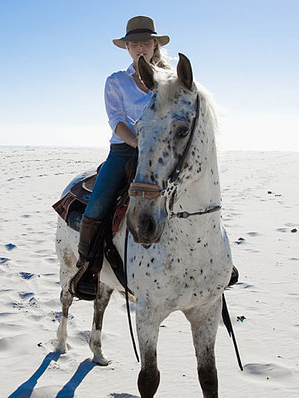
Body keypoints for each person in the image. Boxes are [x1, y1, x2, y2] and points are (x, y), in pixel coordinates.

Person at [70, 16, 172, 301]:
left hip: (164, 151)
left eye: (145, 42)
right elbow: (116, 121)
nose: (140, 48)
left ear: (154, 45)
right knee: (100, 200)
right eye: (134, 43)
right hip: (125, 149)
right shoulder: (116, 81)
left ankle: (211, 256)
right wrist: (139, 142)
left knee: (196, 188)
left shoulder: (170, 80)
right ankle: (87, 268)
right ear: (127, 48)